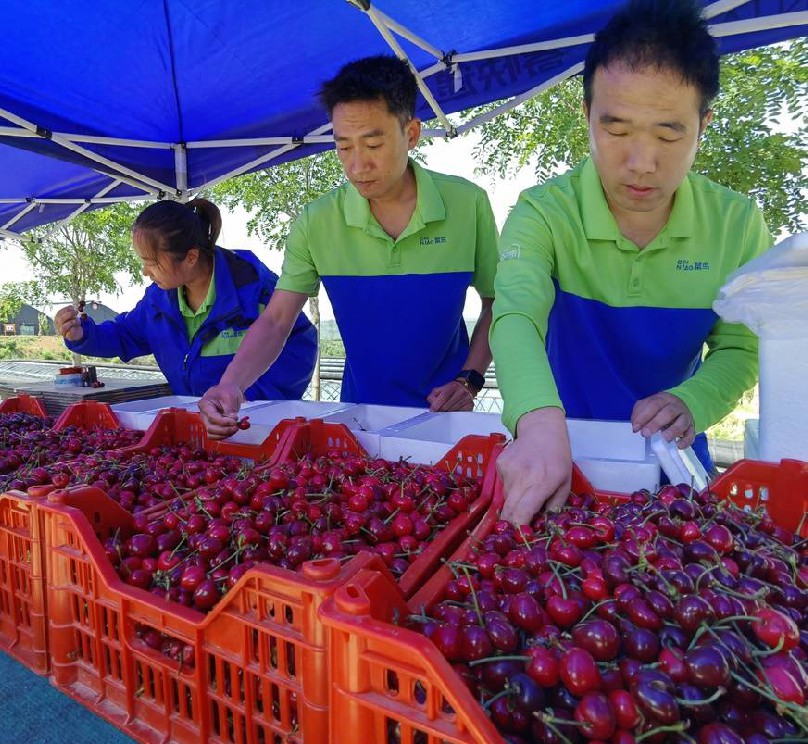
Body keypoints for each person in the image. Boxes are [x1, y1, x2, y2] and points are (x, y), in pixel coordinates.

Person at [490, 0, 773, 526]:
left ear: (703, 125)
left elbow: (740, 345)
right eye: (617, 130)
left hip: (675, 463)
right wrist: (535, 419)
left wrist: (697, 399)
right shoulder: (543, 213)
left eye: (669, 134)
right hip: (559, 458)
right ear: (587, 116)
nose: (641, 163)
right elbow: (516, 317)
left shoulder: (738, 224)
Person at [200, 55, 499, 438]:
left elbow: (497, 302)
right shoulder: (317, 220)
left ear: (411, 133)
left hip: (448, 418)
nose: (357, 166)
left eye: (373, 144)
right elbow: (276, 320)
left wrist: (469, 379)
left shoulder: (467, 204)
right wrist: (231, 385)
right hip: (360, 418)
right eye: (344, 148)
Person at [55, 199, 318, 400]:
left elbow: (300, 346)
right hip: (199, 433)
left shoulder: (254, 291)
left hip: (255, 429)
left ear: (191, 257)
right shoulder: (158, 302)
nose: (145, 271)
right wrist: (82, 335)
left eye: (152, 262)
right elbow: (125, 334)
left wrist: (247, 402)